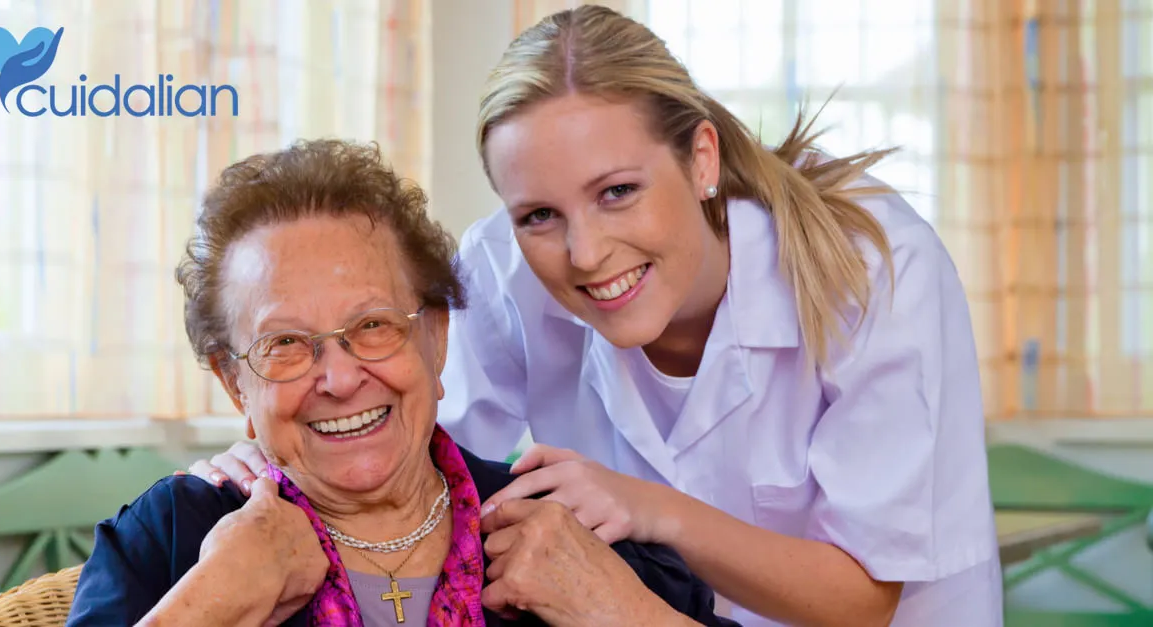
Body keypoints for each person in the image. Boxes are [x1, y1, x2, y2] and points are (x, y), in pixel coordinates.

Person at [189, 5, 1003, 626]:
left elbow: (863, 599)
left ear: (702, 156)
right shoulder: (503, 273)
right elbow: (415, 451)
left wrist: (650, 507)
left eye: (618, 192)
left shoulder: (871, 265)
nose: (583, 252)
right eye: (538, 214)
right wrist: (274, 446)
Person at [66, 139, 738, 627]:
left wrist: (619, 611)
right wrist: (215, 600)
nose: (339, 376)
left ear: (436, 337)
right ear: (235, 382)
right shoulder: (175, 539)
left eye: (374, 325)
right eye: (285, 344)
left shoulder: (564, 527)